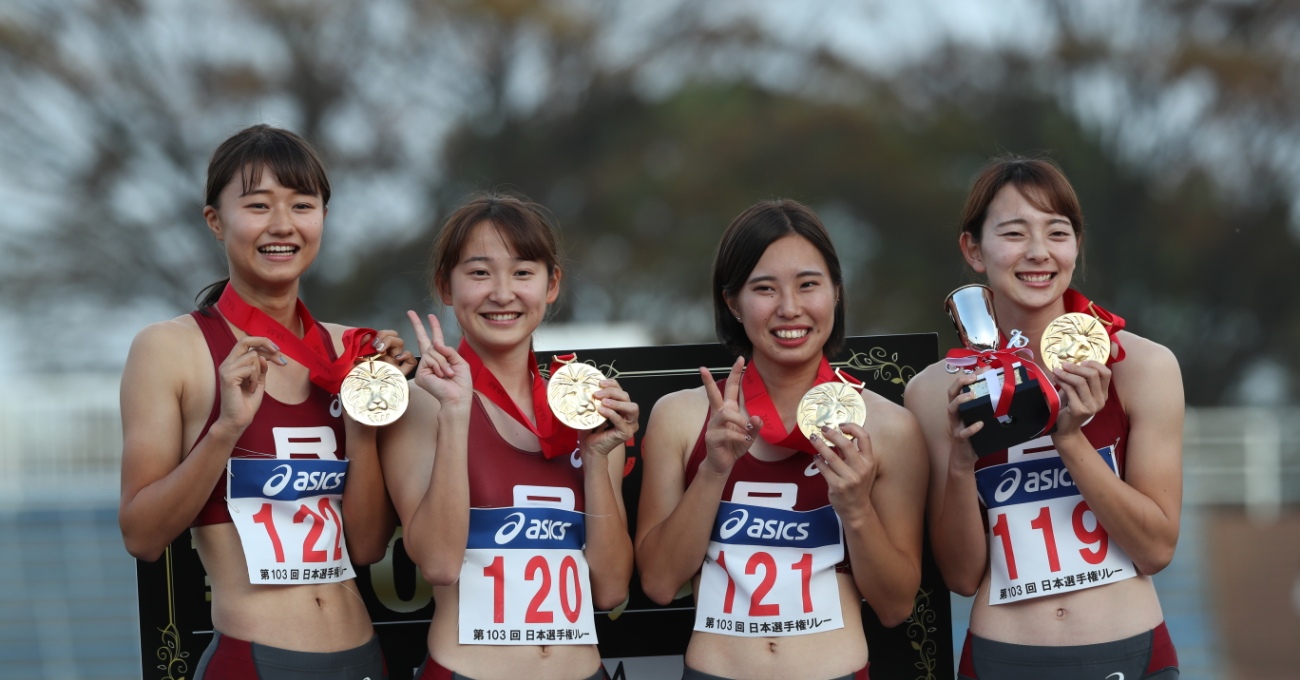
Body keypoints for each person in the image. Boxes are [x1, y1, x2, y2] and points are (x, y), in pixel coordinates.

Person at [119, 124, 411, 679]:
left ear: (323, 215)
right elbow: (142, 534)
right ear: (215, 220)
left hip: (364, 655)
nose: (282, 226)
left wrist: (365, 419)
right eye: (257, 206)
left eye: (303, 205)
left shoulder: (349, 351)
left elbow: (368, 545)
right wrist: (226, 428)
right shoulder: (170, 349)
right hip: (256, 658)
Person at [904, 156, 1183, 679]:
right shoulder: (933, 391)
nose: (1037, 253)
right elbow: (964, 577)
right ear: (974, 249)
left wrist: (1071, 441)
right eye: (1012, 233)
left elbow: (1155, 548)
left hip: (1129, 651)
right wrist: (962, 463)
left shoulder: (1142, 367)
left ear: (1076, 246)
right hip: (1001, 657)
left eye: (1057, 232)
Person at [635, 199, 929, 680]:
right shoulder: (682, 417)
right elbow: (661, 582)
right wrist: (712, 472)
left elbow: (896, 606)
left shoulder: (888, 426)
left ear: (835, 291)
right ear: (732, 302)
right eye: (764, 289)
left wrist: (855, 508)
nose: (790, 308)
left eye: (808, 285)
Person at [378, 194, 637, 680]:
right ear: (446, 287)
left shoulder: (587, 410)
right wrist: (456, 415)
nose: (502, 293)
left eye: (522, 273)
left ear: (551, 283)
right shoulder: (418, 405)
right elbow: (437, 563)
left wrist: (598, 458)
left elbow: (610, 589)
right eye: (479, 273)